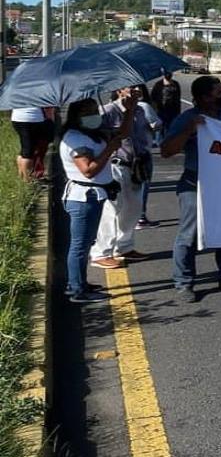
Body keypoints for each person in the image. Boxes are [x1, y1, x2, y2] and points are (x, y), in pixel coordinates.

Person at [162, 76, 221, 302]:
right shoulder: (187, 119)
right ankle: (184, 283)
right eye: (218, 92)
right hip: (195, 183)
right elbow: (166, 150)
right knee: (189, 235)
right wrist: (190, 131)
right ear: (203, 97)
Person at [60, 98, 126, 304]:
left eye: (94, 110)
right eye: (88, 112)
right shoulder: (73, 138)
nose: (94, 115)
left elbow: (123, 133)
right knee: (79, 245)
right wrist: (109, 149)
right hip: (82, 197)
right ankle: (77, 289)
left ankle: (80, 282)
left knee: (86, 242)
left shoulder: (92, 134)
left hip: (94, 196)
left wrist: (130, 110)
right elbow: (88, 170)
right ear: (77, 116)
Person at [89, 87, 149, 269]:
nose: (136, 90)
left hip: (135, 165)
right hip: (114, 165)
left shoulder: (139, 110)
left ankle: (124, 247)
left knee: (133, 208)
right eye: (131, 87)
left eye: (138, 86)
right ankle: (101, 252)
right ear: (120, 90)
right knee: (111, 210)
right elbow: (95, 136)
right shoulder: (107, 111)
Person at [134, 85, 163, 228]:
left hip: (121, 155)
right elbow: (156, 124)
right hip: (141, 154)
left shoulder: (111, 106)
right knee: (142, 186)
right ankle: (140, 217)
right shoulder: (144, 106)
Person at [10, 107, 53, 181]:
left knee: (24, 150)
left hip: (16, 118)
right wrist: (50, 119)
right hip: (32, 119)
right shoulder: (37, 94)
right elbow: (47, 106)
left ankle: (22, 177)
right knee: (28, 152)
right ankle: (27, 180)